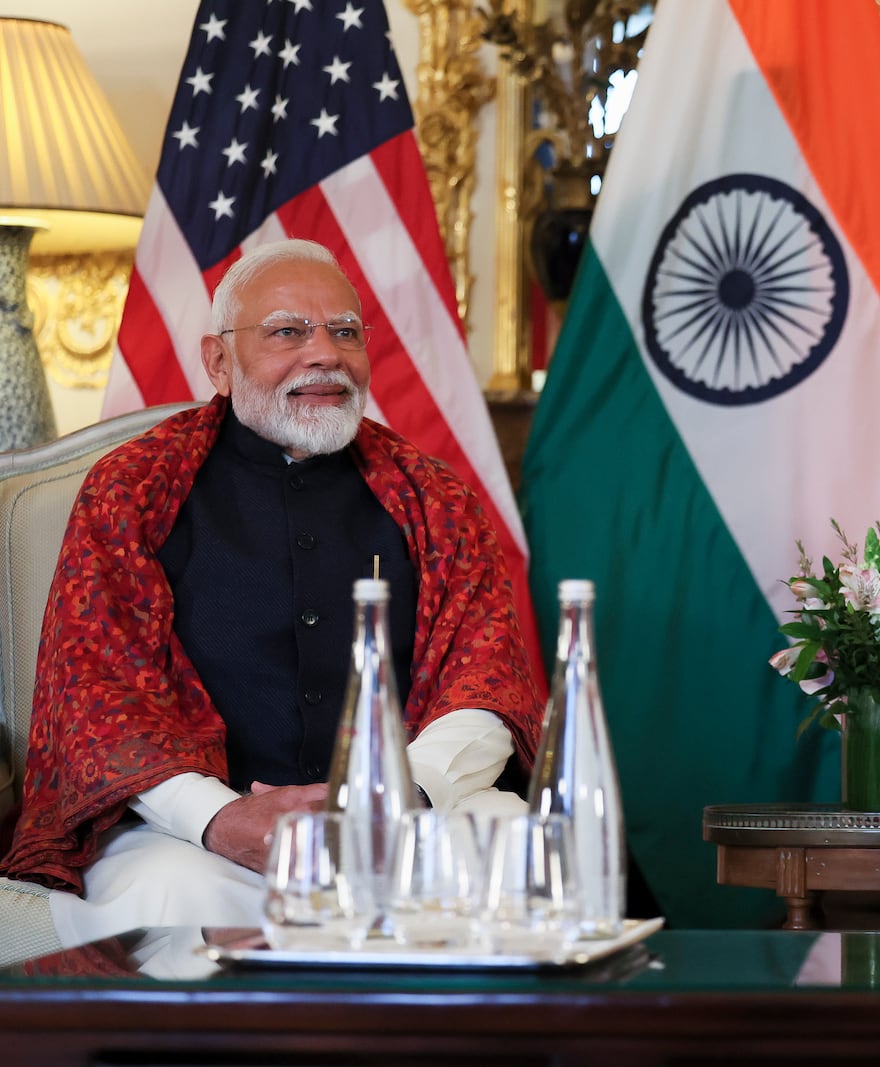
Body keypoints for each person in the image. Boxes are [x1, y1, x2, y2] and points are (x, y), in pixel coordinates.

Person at [0, 239, 541, 945]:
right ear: (219, 362)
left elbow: (487, 680)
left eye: (345, 331)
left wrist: (402, 796)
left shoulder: (433, 498)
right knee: (181, 902)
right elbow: (96, 700)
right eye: (288, 330)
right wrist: (221, 820)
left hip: (408, 821)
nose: (324, 353)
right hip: (188, 836)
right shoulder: (132, 492)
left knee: (514, 852)